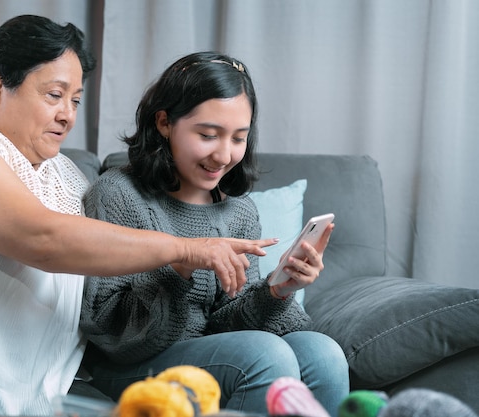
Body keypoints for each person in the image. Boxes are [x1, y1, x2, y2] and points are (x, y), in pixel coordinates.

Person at [0, 17, 274, 416]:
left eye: (75, 99)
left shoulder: (69, 178)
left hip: (36, 389)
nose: (67, 114)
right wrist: (186, 248)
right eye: (54, 95)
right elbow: (43, 239)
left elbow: (106, 266)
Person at [80, 51, 350, 415]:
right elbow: (108, 330)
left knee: (323, 353)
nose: (224, 155)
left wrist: (277, 289)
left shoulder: (237, 211)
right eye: (208, 135)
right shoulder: (118, 195)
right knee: (263, 356)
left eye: (238, 138)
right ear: (164, 122)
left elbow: (226, 322)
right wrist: (182, 262)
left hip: (214, 357)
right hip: (127, 365)